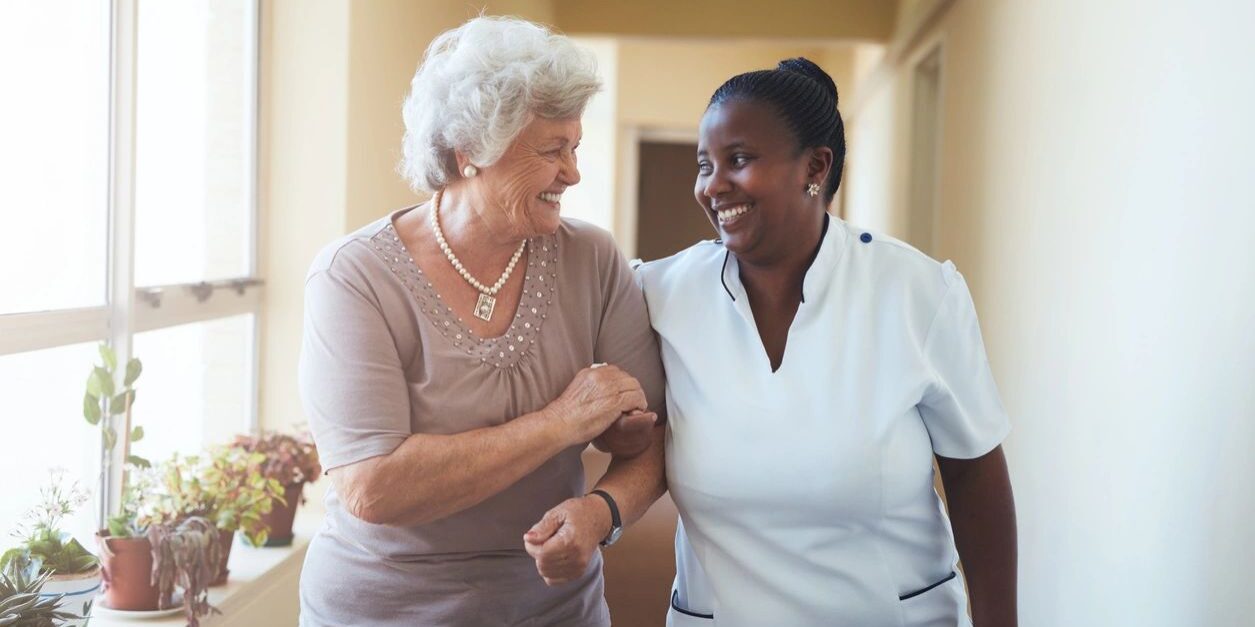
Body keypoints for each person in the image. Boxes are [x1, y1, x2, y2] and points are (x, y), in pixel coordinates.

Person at [530, 58, 1018, 626]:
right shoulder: (659, 293)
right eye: (704, 165)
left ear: (815, 166)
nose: (712, 186)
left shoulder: (917, 293)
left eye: (738, 160)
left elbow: (975, 475)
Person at [297, 17, 666, 626]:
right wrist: (560, 422)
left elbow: (651, 442)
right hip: (384, 610)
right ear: (470, 152)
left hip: (555, 610)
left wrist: (602, 509)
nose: (572, 172)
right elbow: (373, 487)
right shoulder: (353, 276)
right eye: (551, 150)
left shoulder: (592, 259)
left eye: (574, 147)